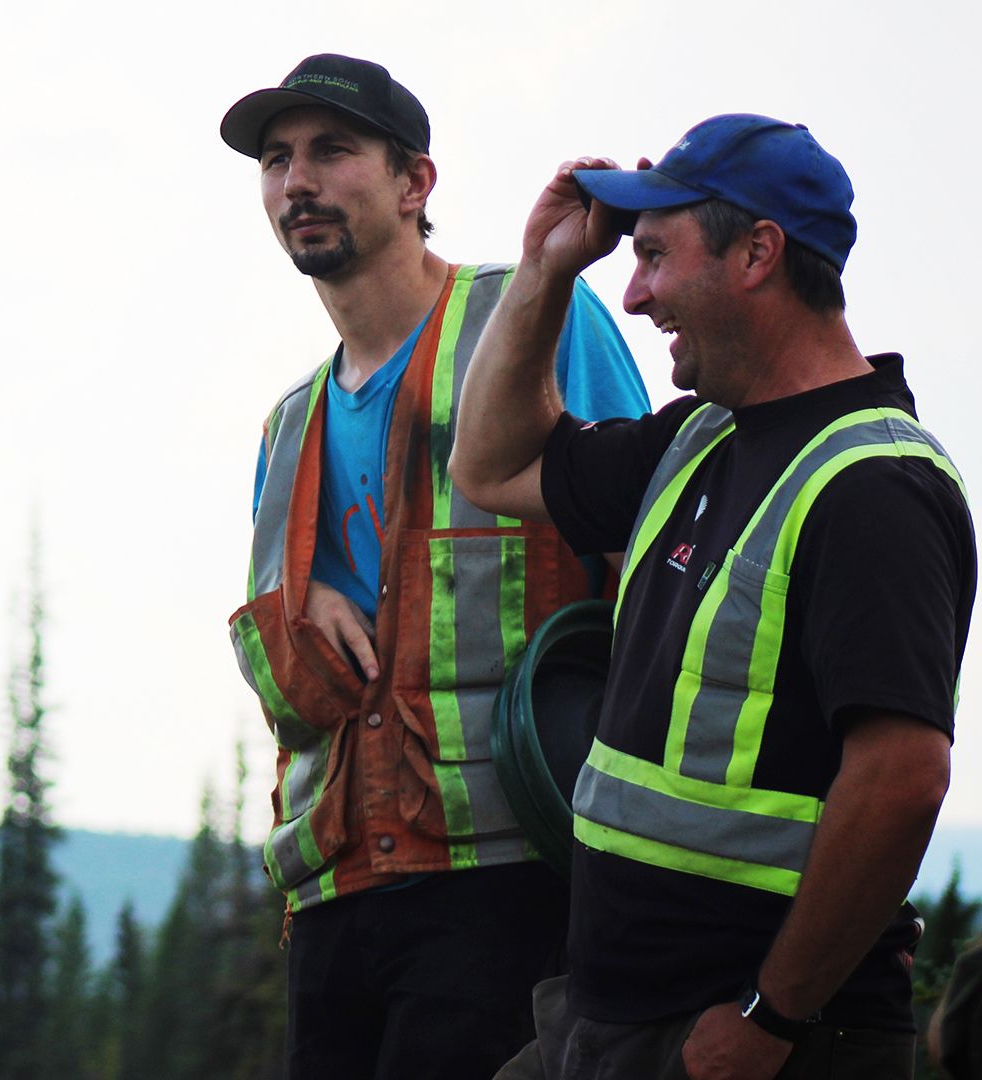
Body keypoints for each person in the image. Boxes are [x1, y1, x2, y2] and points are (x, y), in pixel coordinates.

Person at [450, 114, 976, 1079]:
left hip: (751, 1040)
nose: (637, 292)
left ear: (757, 254)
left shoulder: (874, 489)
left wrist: (771, 1017)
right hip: (608, 1019)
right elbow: (489, 464)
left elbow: (902, 778)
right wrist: (544, 273)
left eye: (654, 255)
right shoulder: (699, 439)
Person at [220, 54, 649, 1078]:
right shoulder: (288, 426)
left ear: (416, 184)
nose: (298, 183)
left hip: (512, 874)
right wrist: (300, 598)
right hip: (334, 893)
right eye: (277, 160)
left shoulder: (535, 313)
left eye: (333, 151)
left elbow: (652, 559)